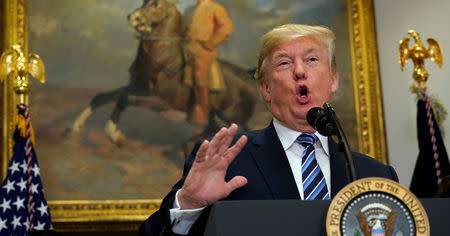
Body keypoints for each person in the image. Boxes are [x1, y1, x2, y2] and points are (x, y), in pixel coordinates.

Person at [140, 24, 398, 235]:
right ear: (265, 89)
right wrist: (189, 204)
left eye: (311, 59)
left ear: (333, 79)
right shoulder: (226, 161)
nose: (299, 71)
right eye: (284, 63)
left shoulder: (376, 175)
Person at [183, 0, 234, 126]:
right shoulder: (190, 10)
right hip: (187, 46)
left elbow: (227, 27)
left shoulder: (215, 8)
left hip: (204, 49)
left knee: (199, 75)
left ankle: (202, 112)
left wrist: (212, 42)